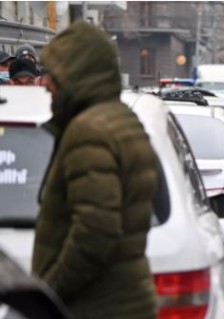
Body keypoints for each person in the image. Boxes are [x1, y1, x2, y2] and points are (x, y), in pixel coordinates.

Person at [32, 21, 158, 318]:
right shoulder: (120, 119)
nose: (45, 82)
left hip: (96, 307)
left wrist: (49, 293)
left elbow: (95, 232)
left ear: (77, 73)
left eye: (54, 74)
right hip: (120, 302)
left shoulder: (89, 130)